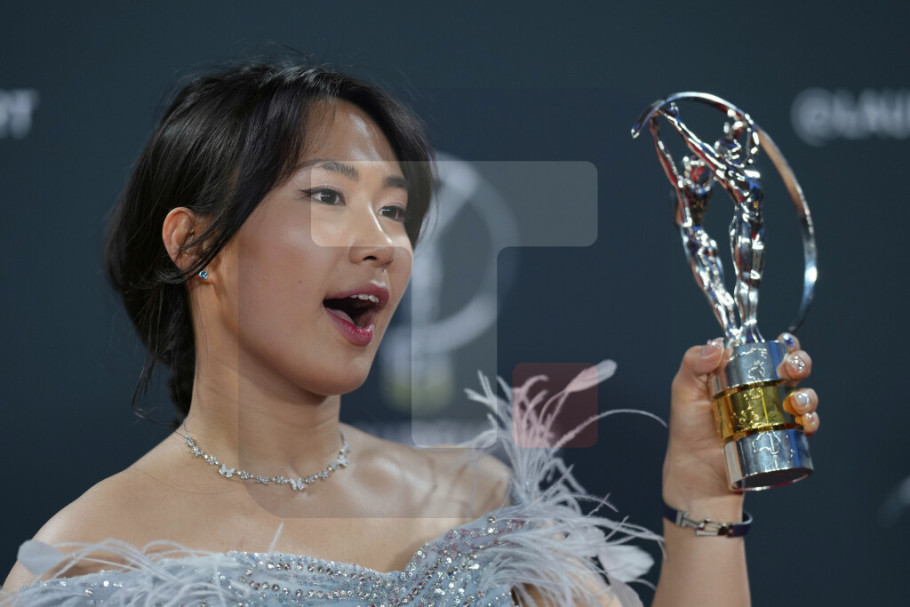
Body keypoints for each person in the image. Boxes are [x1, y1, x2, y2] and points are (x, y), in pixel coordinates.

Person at [0, 60, 820, 606]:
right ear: (194, 246)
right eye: (326, 196)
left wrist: (703, 498)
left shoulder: (478, 503)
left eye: (394, 210)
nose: (383, 243)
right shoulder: (86, 556)